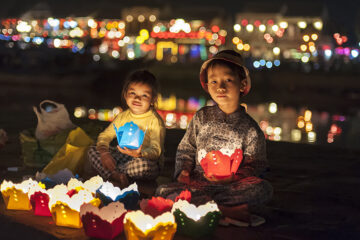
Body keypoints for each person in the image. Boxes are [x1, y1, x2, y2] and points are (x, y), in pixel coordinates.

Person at [156, 50, 273, 227]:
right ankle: (226, 211)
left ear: (242, 84)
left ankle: (203, 207)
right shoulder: (201, 118)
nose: (221, 87)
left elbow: (256, 164)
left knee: (263, 189)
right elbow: (186, 149)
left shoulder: (250, 129)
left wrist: (235, 177)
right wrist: (184, 172)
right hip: (199, 183)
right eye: (214, 81)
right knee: (163, 190)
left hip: (232, 187)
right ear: (207, 85)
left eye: (228, 80)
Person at [88, 70, 165, 188]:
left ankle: (112, 174)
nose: (137, 98)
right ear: (125, 95)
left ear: (153, 99)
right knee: (92, 150)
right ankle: (118, 176)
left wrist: (140, 153)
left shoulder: (154, 121)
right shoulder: (122, 117)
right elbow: (105, 135)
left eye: (144, 95)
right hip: (122, 156)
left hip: (144, 160)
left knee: (142, 166)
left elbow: (156, 151)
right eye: (133, 93)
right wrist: (104, 153)